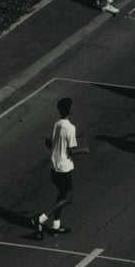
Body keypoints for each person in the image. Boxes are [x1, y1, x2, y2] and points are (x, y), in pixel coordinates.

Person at [31, 97, 90, 239]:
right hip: (64, 167)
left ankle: (56, 225)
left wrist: (55, 150)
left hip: (54, 165)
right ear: (70, 109)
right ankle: (41, 219)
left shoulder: (56, 124)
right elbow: (71, 151)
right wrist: (84, 150)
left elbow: (49, 142)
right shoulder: (70, 128)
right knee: (68, 197)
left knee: (62, 194)